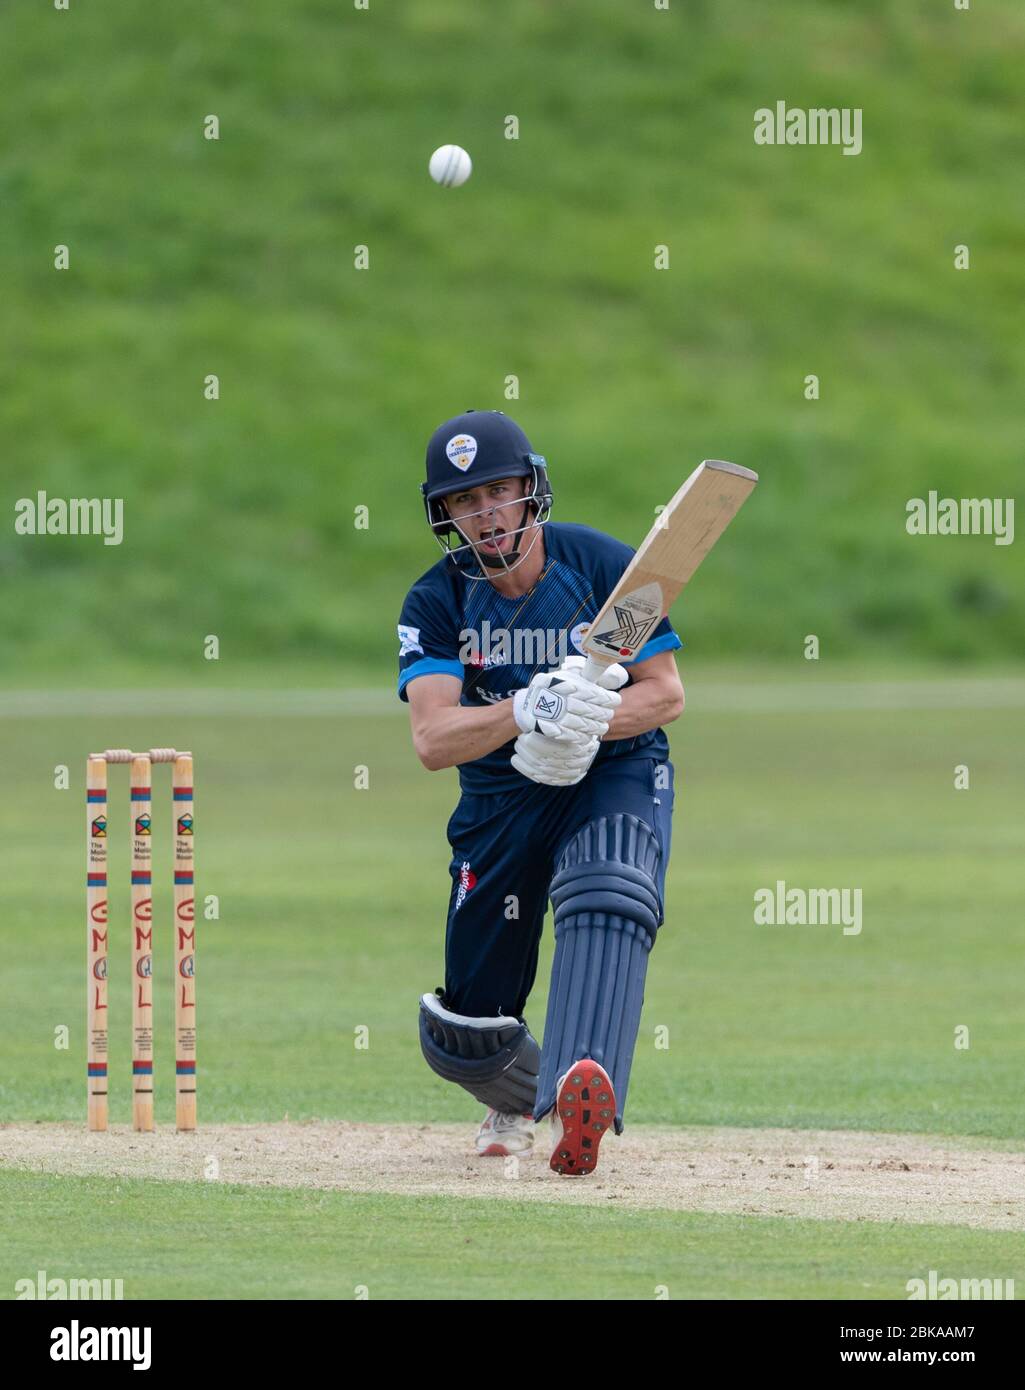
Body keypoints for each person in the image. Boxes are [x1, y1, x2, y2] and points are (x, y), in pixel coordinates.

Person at [398, 410, 683, 1176]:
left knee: (608, 888)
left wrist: (584, 724)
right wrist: (525, 711)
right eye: (465, 500)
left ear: (531, 490)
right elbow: (432, 739)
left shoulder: (607, 569)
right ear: (445, 515)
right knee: (466, 1032)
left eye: (499, 491)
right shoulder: (436, 602)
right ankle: (520, 1095)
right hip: (501, 793)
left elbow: (663, 694)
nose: (486, 514)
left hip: (611, 772)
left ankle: (582, 1082)